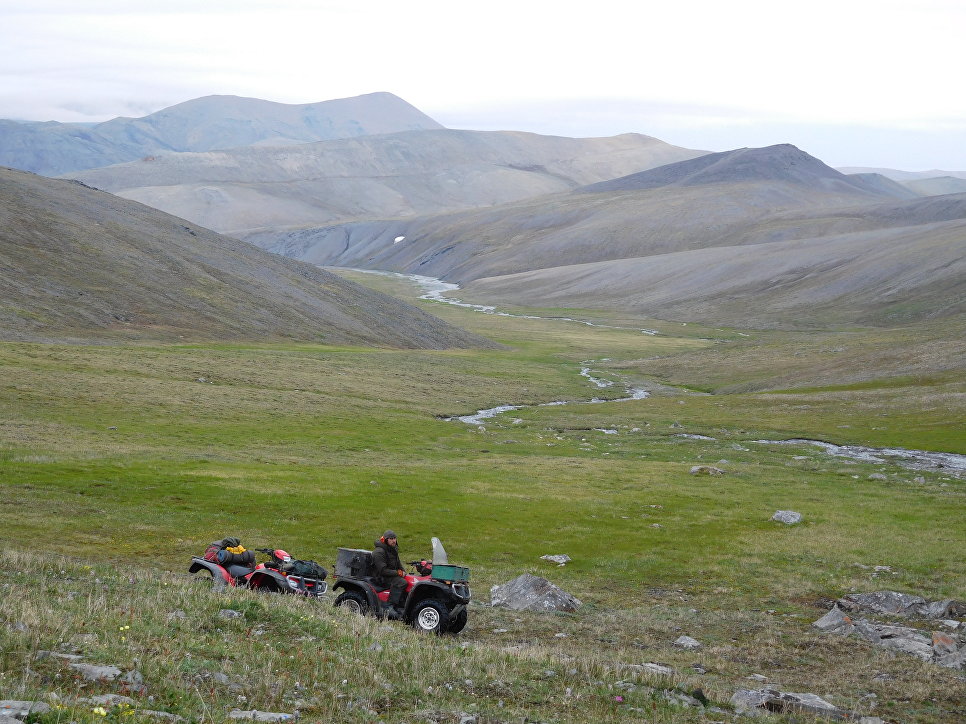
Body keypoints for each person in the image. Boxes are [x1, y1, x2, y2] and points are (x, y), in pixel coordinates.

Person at [372, 530, 407, 618]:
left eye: (394, 538)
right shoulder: (379, 552)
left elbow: (398, 564)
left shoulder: (393, 549)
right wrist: (398, 573)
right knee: (401, 582)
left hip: (390, 575)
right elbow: (382, 570)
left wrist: (403, 571)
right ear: (385, 540)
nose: (394, 540)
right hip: (380, 577)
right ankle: (388, 606)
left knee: (409, 580)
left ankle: (401, 604)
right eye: (391, 539)